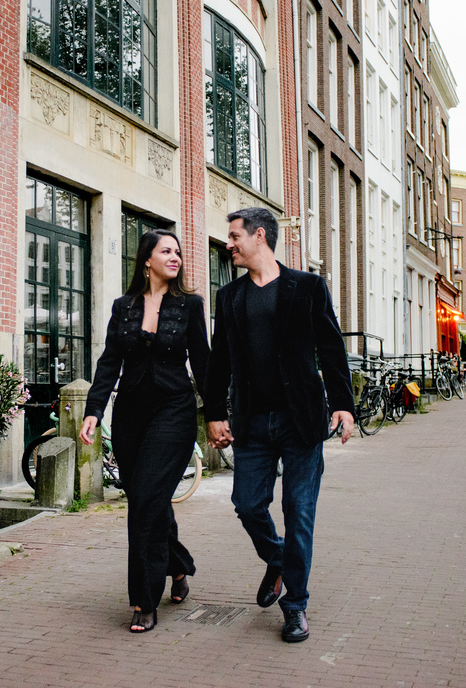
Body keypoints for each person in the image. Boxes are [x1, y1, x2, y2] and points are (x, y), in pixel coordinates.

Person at [203, 207, 355, 644]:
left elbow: (331, 348)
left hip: (301, 421)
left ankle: (295, 607)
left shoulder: (306, 287)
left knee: (298, 513)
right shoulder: (229, 296)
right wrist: (214, 413)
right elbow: (220, 360)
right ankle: (278, 560)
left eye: (235, 236)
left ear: (260, 236)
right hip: (252, 423)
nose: (229, 244)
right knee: (248, 504)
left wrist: (343, 405)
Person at [79, 230, 210, 634]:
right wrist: (94, 411)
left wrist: (220, 417)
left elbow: (203, 363)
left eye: (178, 252)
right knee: (145, 498)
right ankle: (179, 566)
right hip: (131, 415)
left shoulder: (190, 305)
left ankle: (143, 599)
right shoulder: (124, 307)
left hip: (174, 411)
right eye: (166, 251)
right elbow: (108, 362)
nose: (175, 257)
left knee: (145, 501)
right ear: (146, 260)